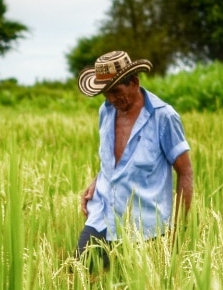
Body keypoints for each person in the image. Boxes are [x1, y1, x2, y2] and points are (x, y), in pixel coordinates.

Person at [75, 51, 193, 269]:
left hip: (146, 227)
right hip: (103, 216)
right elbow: (112, 162)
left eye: (116, 91)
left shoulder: (164, 117)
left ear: (135, 82)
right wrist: (95, 182)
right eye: (105, 93)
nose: (111, 99)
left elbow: (185, 172)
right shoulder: (106, 111)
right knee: (79, 277)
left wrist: (177, 228)